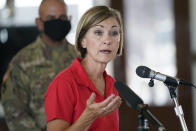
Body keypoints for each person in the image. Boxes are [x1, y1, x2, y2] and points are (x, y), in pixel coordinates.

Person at [1, 0, 78, 130]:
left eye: (62, 17)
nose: (57, 22)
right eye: (51, 18)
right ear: (39, 23)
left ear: (69, 19)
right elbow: (14, 110)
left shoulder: (83, 58)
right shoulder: (21, 62)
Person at [45, 5, 124, 131]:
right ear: (83, 41)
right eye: (98, 32)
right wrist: (88, 117)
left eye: (114, 33)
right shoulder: (64, 83)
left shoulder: (112, 84)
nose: (107, 40)